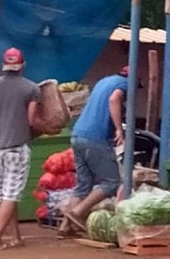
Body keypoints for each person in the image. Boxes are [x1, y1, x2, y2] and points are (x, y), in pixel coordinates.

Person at [0, 47, 41, 251]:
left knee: (5, 194)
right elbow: (31, 120)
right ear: (22, 65)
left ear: (4, 65)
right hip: (16, 147)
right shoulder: (31, 88)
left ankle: (16, 236)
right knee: (10, 195)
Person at [57, 66, 129, 238]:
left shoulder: (103, 81)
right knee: (111, 181)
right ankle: (77, 212)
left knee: (83, 185)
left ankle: (65, 228)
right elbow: (114, 100)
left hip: (78, 134)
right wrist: (119, 129)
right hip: (95, 138)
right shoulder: (124, 83)